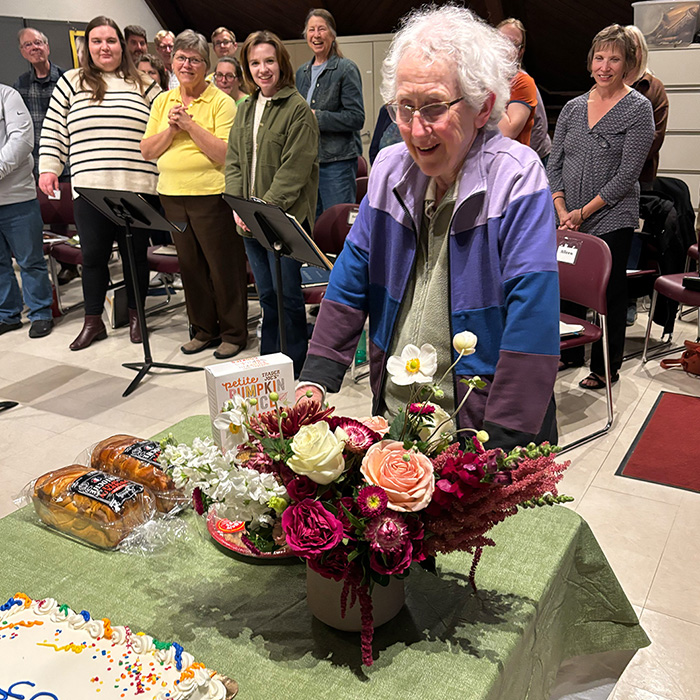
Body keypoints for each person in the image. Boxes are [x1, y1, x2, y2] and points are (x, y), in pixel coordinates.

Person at [297, 5, 560, 451]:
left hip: (482, 423)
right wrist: (317, 374)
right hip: (398, 416)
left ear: (483, 107)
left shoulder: (517, 176)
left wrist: (503, 442)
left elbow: (532, 312)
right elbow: (353, 270)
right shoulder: (389, 169)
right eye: (405, 108)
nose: (417, 131)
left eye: (435, 108)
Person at [39, 16, 161, 350]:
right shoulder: (71, 82)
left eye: (110, 41)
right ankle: (93, 322)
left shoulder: (144, 83)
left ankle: (137, 316)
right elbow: (53, 128)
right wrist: (48, 168)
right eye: (97, 41)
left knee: (135, 256)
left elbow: (164, 127)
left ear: (121, 45)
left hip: (137, 185)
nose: (104, 47)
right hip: (90, 187)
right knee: (93, 256)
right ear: (87, 47)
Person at [547, 24, 654, 390]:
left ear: (628, 64)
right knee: (566, 284)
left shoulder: (638, 109)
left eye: (614, 59)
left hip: (612, 215)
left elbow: (628, 174)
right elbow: (554, 163)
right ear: (590, 61)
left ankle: (606, 367)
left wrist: (583, 212)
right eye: (599, 58)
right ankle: (571, 353)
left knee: (608, 290)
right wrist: (562, 208)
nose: (605, 67)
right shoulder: (574, 108)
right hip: (567, 215)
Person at [141, 29, 247, 360]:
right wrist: (171, 129)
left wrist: (189, 126)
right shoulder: (162, 101)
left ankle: (233, 333)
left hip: (211, 196)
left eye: (195, 59)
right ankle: (203, 330)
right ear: (172, 63)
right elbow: (147, 150)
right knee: (190, 267)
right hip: (172, 196)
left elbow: (225, 154)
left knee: (223, 267)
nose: (187, 65)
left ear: (207, 65)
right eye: (181, 58)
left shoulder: (221, 102)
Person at [225, 30, 319, 377]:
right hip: (248, 222)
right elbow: (234, 161)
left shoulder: (298, 110)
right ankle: (268, 366)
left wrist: (260, 210)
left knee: (287, 296)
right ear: (247, 68)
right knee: (266, 295)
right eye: (254, 63)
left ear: (281, 63)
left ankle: (293, 368)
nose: (262, 69)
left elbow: (294, 171)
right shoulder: (245, 108)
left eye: (269, 61)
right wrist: (239, 206)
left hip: (282, 221)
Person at [14, 27, 77, 286]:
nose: (34, 48)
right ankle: (63, 265)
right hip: (40, 162)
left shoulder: (67, 79)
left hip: (70, 159)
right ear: (22, 52)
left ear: (47, 47)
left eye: (38, 43)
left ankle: (81, 259)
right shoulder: (20, 85)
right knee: (51, 214)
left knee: (74, 213)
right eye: (28, 45)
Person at [295, 9, 364, 214]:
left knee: (337, 223)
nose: (316, 35)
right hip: (309, 163)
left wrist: (316, 117)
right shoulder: (302, 73)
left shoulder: (346, 69)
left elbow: (356, 118)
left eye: (321, 29)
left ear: (332, 35)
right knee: (313, 225)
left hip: (337, 164)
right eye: (311, 30)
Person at [0, 84, 54, 338]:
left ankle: (40, 313)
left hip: (17, 197)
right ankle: (7, 314)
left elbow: (21, 141)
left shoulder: (7, 95)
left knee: (30, 260)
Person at [497, 18, 538, 146]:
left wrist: (486, 87)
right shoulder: (480, 73)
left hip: (508, 155)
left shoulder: (523, 82)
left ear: (520, 52)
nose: (505, 47)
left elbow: (508, 132)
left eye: (513, 43)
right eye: (502, 40)